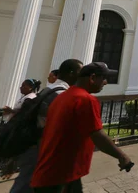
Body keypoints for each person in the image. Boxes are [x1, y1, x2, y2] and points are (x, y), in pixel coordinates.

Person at [31, 62, 131, 193]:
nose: (105, 82)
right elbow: (97, 134)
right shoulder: (85, 99)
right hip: (61, 173)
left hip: (55, 169)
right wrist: (122, 156)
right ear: (92, 78)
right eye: (104, 78)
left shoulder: (64, 96)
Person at [8, 60, 83, 193]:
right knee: (26, 183)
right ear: (71, 73)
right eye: (80, 72)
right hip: (40, 145)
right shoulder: (61, 94)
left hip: (35, 143)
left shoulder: (49, 89)